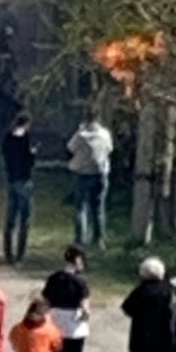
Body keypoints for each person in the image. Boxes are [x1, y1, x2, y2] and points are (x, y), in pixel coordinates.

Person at [68, 107, 114, 249]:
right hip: (100, 173)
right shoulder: (105, 134)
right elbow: (110, 149)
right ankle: (99, 239)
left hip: (82, 174)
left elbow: (70, 147)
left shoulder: (81, 135)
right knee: (99, 207)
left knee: (81, 208)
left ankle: (80, 239)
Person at [1, 113, 36, 264]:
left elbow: (4, 154)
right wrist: (33, 154)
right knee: (25, 219)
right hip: (24, 180)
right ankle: (20, 254)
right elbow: (29, 160)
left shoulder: (8, 138)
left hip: (12, 179)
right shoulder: (25, 139)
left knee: (11, 217)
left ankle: (8, 253)